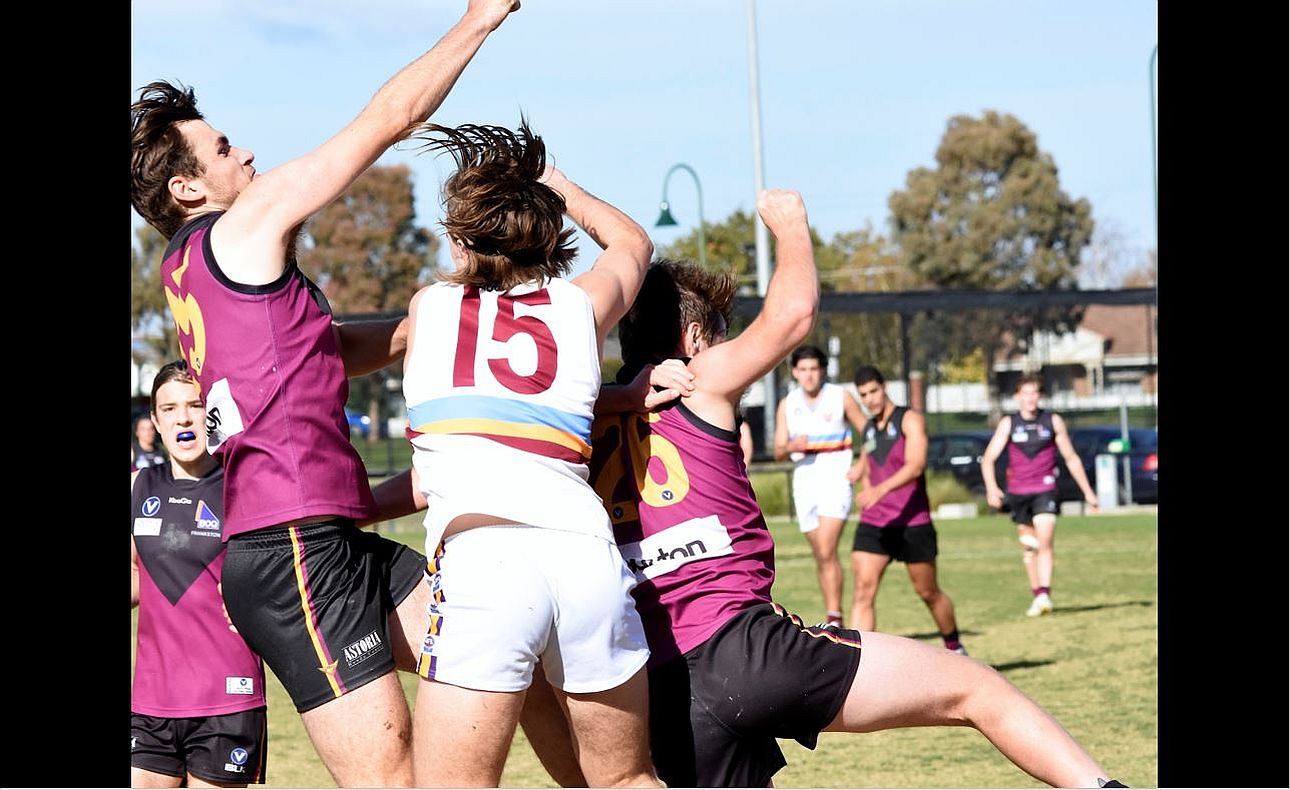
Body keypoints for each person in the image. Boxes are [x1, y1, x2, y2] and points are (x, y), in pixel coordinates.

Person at [578, 188, 1123, 789]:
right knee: (977, 689)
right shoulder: (695, 381)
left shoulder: (576, 412)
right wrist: (791, 227)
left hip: (652, 679)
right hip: (743, 646)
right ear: (696, 336)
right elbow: (792, 318)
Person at [127, 2, 519, 783]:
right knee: (390, 774)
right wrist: (481, 18)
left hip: (321, 536)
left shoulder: (193, 268)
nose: (247, 154)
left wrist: (434, 319)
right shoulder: (241, 229)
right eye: (224, 147)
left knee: (498, 651)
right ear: (187, 186)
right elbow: (388, 120)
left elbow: (325, 351)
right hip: (292, 547)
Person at [399, 121, 660, 787]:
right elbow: (632, 242)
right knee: (628, 780)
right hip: (584, 558)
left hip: (485, 559)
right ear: (547, 232)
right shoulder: (580, 306)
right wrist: (560, 184)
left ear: (461, 243)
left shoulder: (428, 308)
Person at [132, 361, 267, 788]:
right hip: (152, 698)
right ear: (155, 419)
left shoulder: (245, 487)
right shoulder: (137, 487)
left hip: (227, 696)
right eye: (168, 408)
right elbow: (138, 578)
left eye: (194, 405)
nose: (183, 417)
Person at [846, 365, 967, 653]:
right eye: (864, 395)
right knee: (863, 590)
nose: (870, 399)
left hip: (912, 522)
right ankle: (856, 661)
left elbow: (915, 465)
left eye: (874, 391)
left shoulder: (910, 420)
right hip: (875, 523)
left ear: (884, 387)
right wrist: (857, 471)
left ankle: (955, 647)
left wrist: (879, 489)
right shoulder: (869, 428)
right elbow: (869, 456)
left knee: (928, 592)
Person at [981, 374, 1099, 617]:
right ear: (1017, 397)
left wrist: (1088, 492)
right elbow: (989, 458)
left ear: (1040, 396)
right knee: (1029, 547)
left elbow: (1071, 457)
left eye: (1034, 393)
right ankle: (1038, 595)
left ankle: (1044, 593)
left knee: (1045, 540)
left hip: (1045, 489)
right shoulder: (1008, 423)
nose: (1030, 398)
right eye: (1025, 393)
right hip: (1018, 493)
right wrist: (992, 488)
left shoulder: (1052, 421)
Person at [773, 344, 867, 627]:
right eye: (803, 370)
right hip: (805, 482)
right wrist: (791, 445)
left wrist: (862, 465)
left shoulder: (840, 397)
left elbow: (871, 433)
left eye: (814, 369)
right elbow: (778, 450)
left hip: (836, 479)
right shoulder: (787, 404)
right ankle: (833, 614)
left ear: (823, 370)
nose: (809, 375)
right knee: (821, 554)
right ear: (794, 373)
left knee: (827, 549)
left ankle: (834, 617)